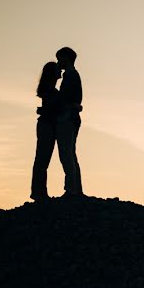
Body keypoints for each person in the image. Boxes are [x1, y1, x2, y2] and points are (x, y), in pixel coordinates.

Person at [30, 61, 62, 201]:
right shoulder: (51, 91)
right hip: (47, 126)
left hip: (46, 125)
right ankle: (38, 192)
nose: (60, 70)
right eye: (57, 69)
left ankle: (39, 192)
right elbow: (51, 109)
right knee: (42, 160)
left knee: (42, 160)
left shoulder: (48, 90)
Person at [55, 46, 83, 196]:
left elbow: (66, 99)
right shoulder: (73, 75)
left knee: (66, 154)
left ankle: (71, 189)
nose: (58, 61)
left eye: (60, 58)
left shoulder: (70, 75)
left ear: (66, 58)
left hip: (68, 118)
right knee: (70, 153)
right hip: (71, 117)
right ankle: (75, 188)